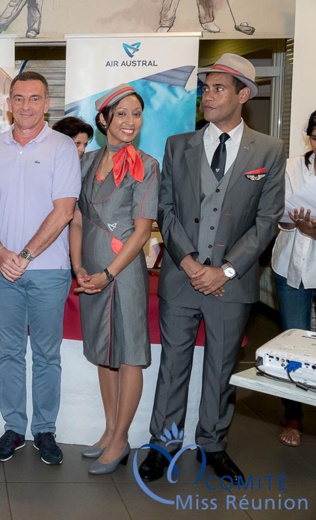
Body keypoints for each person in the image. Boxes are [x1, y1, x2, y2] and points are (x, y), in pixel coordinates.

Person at [140, 53, 285, 484]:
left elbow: (266, 221)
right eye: (206, 88)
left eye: (218, 88)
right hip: (181, 277)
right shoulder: (178, 144)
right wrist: (187, 262)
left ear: (243, 95)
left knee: (222, 368)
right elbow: (165, 210)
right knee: (173, 367)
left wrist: (224, 271)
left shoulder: (269, 150)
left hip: (231, 284)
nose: (208, 95)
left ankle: (213, 445)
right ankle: (163, 446)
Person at [0, 71, 81, 465]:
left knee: (46, 354)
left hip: (48, 270)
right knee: (8, 353)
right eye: (18, 98)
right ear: (8, 103)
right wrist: (0, 251)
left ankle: (45, 430)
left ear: (47, 103)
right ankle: (13, 428)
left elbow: (64, 210)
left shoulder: (61, 148)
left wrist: (23, 254)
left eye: (34, 99)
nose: (25, 106)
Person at [68, 84, 159, 475]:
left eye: (136, 114)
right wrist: (80, 268)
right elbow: (76, 219)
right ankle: (108, 430)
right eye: (120, 114)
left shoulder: (147, 165)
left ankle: (121, 439)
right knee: (104, 354)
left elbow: (141, 232)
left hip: (123, 274)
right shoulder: (85, 162)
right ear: (103, 120)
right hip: (90, 272)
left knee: (129, 356)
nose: (129, 121)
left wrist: (107, 273)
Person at [270, 109, 316, 448]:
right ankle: (293, 416)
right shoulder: (290, 167)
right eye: (315, 136)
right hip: (290, 264)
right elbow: (279, 213)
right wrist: (293, 223)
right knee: (292, 343)